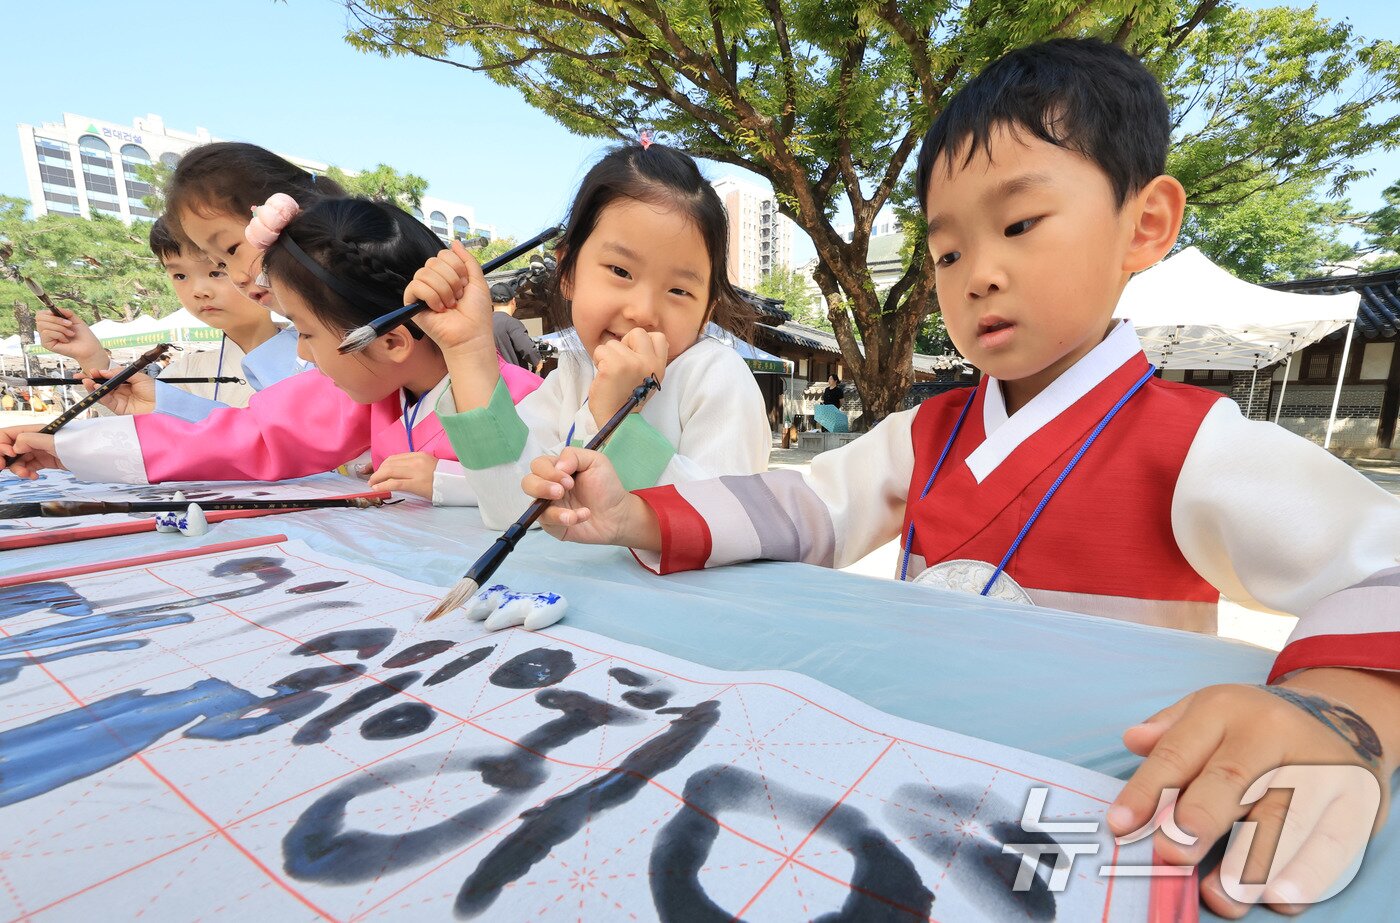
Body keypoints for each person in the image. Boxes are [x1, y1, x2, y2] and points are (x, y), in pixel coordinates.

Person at [515, 39, 1400, 916]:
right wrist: (637, 514)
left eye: (1018, 225)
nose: (978, 275)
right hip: (922, 781)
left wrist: (1345, 713)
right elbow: (806, 505)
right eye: (945, 254)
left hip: (1099, 803)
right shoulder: (928, 432)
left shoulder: (1191, 441)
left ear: (1146, 225)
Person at [1, 197, 541, 504]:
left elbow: (546, 496)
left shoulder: (527, 399)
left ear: (393, 340)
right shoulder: (379, 395)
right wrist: (69, 447)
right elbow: (250, 437)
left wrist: (450, 484)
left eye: (305, 332)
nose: (302, 352)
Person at [404, 141, 772, 529]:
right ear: (568, 272)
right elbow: (512, 507)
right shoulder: (573, 375)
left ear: (707, 310)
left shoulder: (717, 378)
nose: (643, 312)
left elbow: (725, 526)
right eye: (621, 271)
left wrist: (617, 420)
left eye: (679, 290)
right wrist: (468, 351)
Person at [36, 216, 298, 421]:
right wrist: (91, 357)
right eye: (180, 276)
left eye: (217, 270)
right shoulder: (186, 371)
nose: (199, 291)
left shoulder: (312, 353)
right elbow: (141, 431)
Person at [490, 281, 543, 372]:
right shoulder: (512, 323)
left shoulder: (484, 324)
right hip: (511, 377)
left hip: (492, 377)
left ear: (491, 303)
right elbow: (527, 348)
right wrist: (537, 361)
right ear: (513, 301)